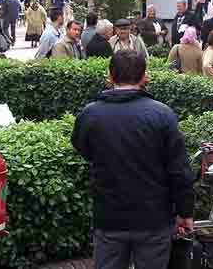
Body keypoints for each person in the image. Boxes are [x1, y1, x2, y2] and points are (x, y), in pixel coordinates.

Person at [71, 50, 195, 269]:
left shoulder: (91, 114)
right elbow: (179, 170)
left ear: (109, 76)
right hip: (153, 219)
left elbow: (82, 148)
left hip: (110, 217)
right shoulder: (162, 115)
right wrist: (185, 212)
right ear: (144, 76)